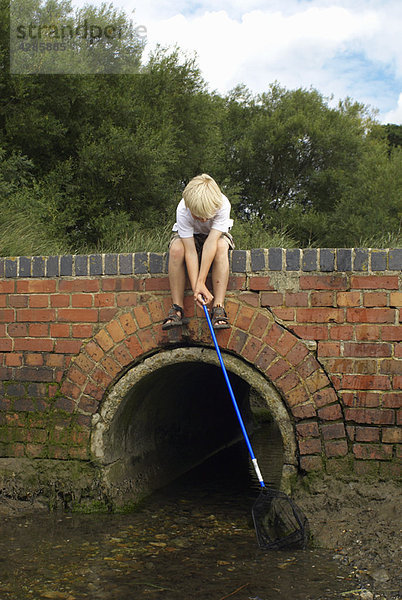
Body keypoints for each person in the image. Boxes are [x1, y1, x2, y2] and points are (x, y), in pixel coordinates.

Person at [162, 173, 234, 330]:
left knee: (222, 246)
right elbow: (190, 251)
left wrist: (201, 281)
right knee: (176, 248)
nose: (203, 220)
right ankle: (177, 308)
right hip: (189, 238)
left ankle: (219, 307)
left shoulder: (223, 204)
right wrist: (197, 288)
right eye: (198, 216)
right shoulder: (182, 208)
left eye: (207, 217)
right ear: (189, 207)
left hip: (214, 238)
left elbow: (210, 243)